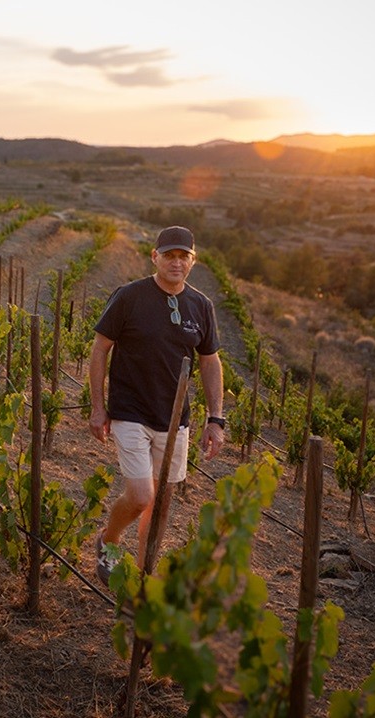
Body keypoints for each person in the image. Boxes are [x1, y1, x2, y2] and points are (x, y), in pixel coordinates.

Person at [88, 225, 226, 585]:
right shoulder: (129, 296)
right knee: (140, 495)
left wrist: (216, 419)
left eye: (184, 256)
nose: (176, 263)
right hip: (130, 411)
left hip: (175, 418)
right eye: (169, 255)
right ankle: (109, 541)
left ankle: (143, 568)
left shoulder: (201, 305)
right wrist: (98, 407)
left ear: (193, 261)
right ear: (155, 257)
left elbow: (210, 361)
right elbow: (100, 349)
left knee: (161, 502)